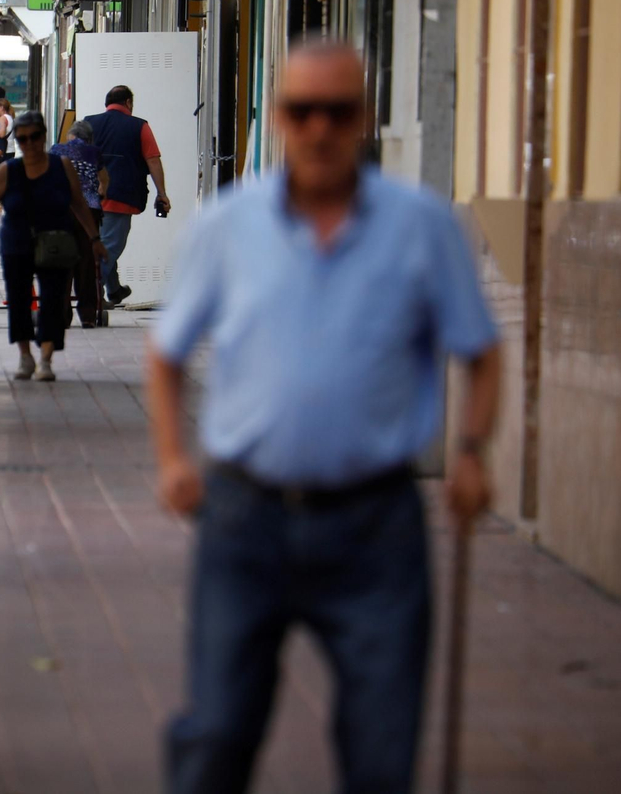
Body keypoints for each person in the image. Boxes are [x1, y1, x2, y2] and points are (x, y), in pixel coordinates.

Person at [146, 42, 501, 794]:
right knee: (216, 735)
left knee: (382, 748)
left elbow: (480, 348)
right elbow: (166, 349)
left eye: (338, 111)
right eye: (302, 112)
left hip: (376, 524)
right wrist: (174, 459)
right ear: (278, 119)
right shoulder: (228, 225)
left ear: (364, 118)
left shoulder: (422, 226)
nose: (320, 129)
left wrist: (470, 452)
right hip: (246, 518)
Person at [0, 112, 104, 382]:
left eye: (35, 137)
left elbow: (79, 205)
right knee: (20, 301)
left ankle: (45, 359)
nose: (29, 143)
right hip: (16, 243)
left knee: (53, 301)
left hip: (56, 243)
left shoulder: (62, 166)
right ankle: (25, 357)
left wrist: (94, 239)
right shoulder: (7, 170)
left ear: (44, 136)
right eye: (23, 139)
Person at [84, 85, 171, 306]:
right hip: (120, 196)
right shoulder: (139, 126)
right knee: (111, 245)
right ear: (129, 103)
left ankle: (114, 290)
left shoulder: (88, 123)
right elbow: (153, 160)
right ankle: (91, 293)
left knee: (102, 242)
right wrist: (162, 193)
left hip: (89, 198)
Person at [50, 120, 109, 328]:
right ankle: (88, 315)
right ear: (88, 137)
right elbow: (104, 180)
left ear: (71, 135)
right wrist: (100, 192)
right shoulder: (94, 152)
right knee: (86, 263)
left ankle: (61, 316)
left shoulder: (56, 149)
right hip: (89, 211)